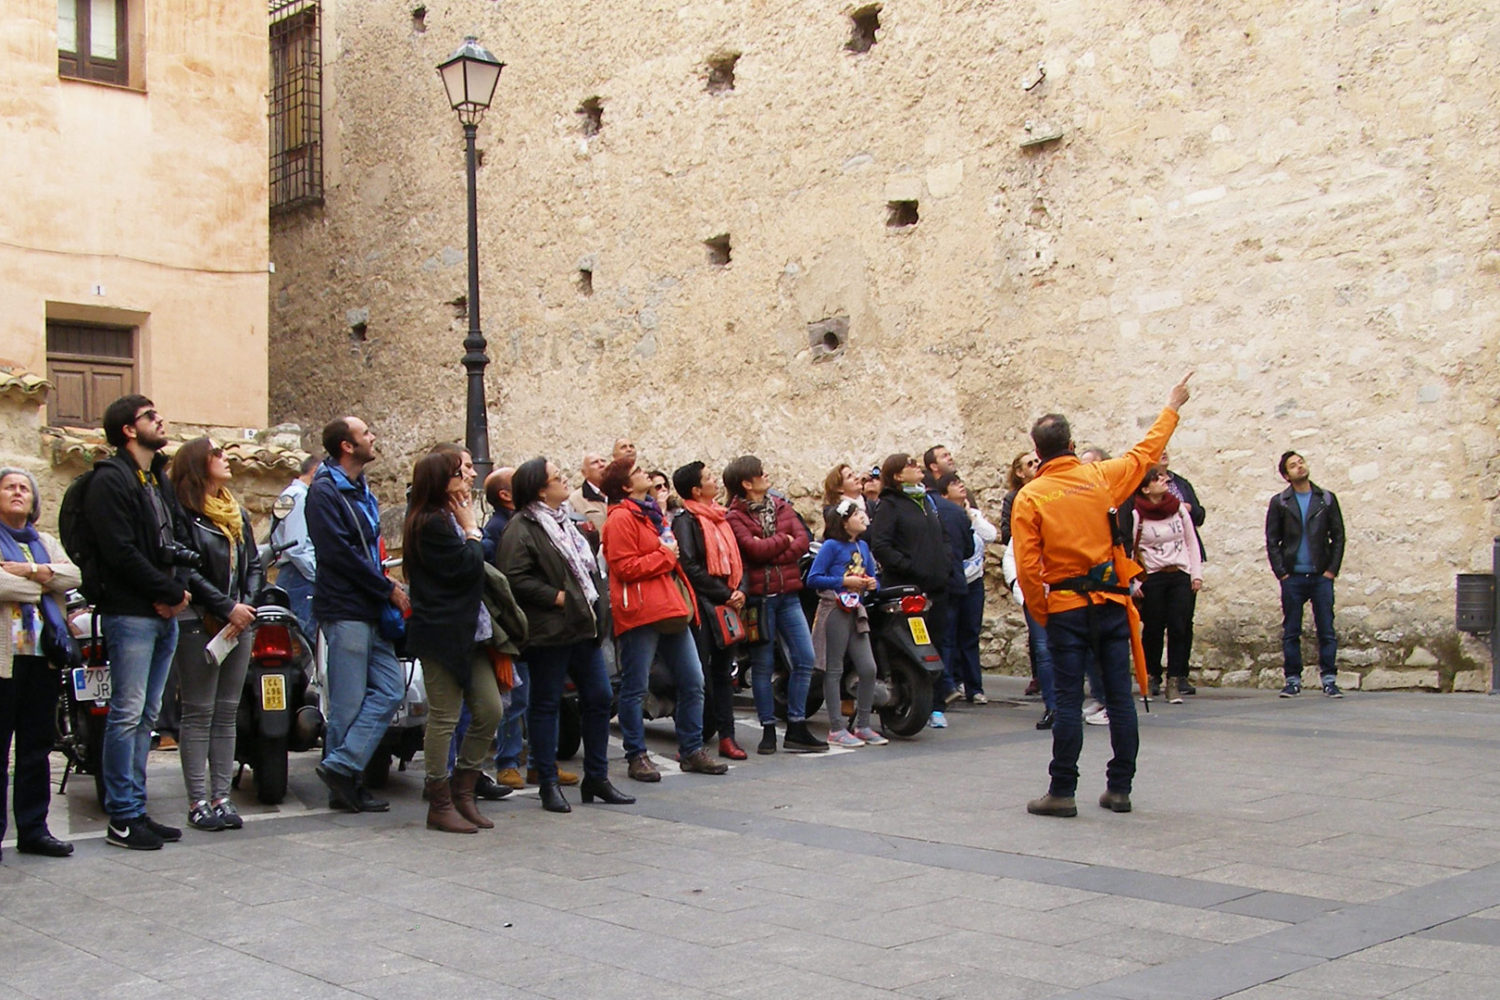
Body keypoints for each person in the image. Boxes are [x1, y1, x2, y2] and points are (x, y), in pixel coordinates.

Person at [1014, 372, 1193, 818]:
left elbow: (1027, 567)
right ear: (1072, 443)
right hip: (1112, 603)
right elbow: (1146, 452)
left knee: (1070, 700)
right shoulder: (1101, 477)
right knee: (1118, 698)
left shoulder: (1031, 496)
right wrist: (1172, 405)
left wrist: (1043, 610)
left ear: (1038, 453)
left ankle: (1062, 790)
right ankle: (1120, 788)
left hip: (1067, 607)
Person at [498, 458, 633, 812]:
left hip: (581, 626)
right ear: (541, 489)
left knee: (600, 697)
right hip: (550, 631)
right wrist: (556, 597)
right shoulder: (522, 527)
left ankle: (597, 777)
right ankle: (547, 782)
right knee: (546, 704)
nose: (565, 482)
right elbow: (513, 577)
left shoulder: (567, 524)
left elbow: (587, 570)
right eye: (557, 479)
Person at [86, 395, 189, 850]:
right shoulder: (110, 481)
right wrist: (166, 593)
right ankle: (123, 818)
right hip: (130, 613)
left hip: (162, 612)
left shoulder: (157, 478)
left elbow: (178, 539)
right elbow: (119, 551)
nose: (160, 420)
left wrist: (179, 590)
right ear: (128, 429)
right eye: (150, 416)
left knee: (147, 716)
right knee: (126, 716)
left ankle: (137, 809)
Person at [600, 458, 728, 780]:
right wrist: (665, 555)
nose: (646, 473)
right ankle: (636, 755)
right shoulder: (620, 520)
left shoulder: (650, 516)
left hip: (669, 609)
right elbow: (624, 567)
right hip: (642, 612)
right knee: (635, 686)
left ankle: (692, 749)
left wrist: (665, 555)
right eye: (637, 472)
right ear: (626, 486)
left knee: (693, 680)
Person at [306, 416, 408, 813]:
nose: (373, 437)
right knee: (347, 703)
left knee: (389, 689)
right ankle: (345, 787)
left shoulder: (360, 489)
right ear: (347, 446)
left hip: (370, 607)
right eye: (366, 433)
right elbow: (339, 554)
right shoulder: (325, 492)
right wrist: (387, 588)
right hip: (346, 607)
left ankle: (342, 766)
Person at [401, 449, 505, 833]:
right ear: (440, 482)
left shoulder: (445, 519)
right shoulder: (430, 523)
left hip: (469, 631)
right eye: (459, 474)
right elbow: (468, 567)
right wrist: (472, 529)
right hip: (442, 633)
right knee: (444, 717)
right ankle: (439, 800)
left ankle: (465, 789)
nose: (468, 478)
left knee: (490, 709)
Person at [170, 438, 263, 832]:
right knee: (198, 710)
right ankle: (197, 801)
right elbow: (186, 569)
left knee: (226, 711)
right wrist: (226, 607)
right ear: (198, 463)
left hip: (238, 622)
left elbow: (254, 565)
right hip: (200, 621)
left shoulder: (236, 512)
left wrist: (245, 606)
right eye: (218, 455)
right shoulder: (183, 512)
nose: (227, 460)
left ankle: (222, 797)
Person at [0, 468, 80, 859]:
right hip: (4, 661)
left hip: (41, 658)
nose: (18, 493)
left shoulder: (44, 541)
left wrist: (29, 570)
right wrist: (43, 582)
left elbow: (74, 575)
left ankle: (34, 830)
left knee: (36, 748)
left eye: (24, 489)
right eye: (9, 487)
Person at [723, 455, 825, 754]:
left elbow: (803, 540)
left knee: (805, 658)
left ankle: (796, 725)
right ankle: (768, 729)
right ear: (746, 482)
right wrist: (783, 540)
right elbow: (753, 551)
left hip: (788, 595)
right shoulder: (734, 517)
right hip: (759, 600)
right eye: (760, 473)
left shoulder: (780, 506)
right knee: (764, 665)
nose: (766, 476)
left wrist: (772, 546)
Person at [868, 453, 953, 726]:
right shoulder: (890, 505)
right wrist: (911, 567)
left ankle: (935, 705)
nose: (918, 468)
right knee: (902, 646)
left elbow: (943, 537)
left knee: (936, 644)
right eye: (911, 465)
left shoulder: (926, 502)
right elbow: (881, 545)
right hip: (906, 587)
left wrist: (946, 562)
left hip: (936, 587)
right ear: (897, 476)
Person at [672, 461, 747, 760]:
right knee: (697, 676)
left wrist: (740, 590)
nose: (715, 480)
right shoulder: (686, 520)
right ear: (695, 489)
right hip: (702, 608)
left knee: (724, 674)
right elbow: (689, 566)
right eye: (708, 478)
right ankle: (691, 740)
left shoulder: (720, 518)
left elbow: (736, 559)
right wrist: (726, 593)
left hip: (726, 606)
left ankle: (727, 737)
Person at [1118, 448, 1206, 696]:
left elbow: (1191, 542)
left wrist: (1195, 573)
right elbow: (1131, 549)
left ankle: (1176, 678)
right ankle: (1152, 674)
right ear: (1145, 488)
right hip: (1153, 577)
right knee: (1154, 627)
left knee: (1179, 625)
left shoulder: (1177, 509)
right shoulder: (1136, 514)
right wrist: (1134, 581)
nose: (1164, 481)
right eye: (1157, 479)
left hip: (1179, 572)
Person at [807, 498, 887, 748]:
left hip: (856, 610)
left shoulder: (863, 546)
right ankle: (836, 727)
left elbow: (873, 578)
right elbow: (814, 578)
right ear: (844, 521)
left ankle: (862, 724)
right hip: (835, 609)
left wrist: (872, 585)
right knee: (834, 669)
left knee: (868, 668)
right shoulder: (831, 546)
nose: (863, 517)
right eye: (857, 513)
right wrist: (844, 581)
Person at [1266, 451, 1345, 698]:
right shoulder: (1280, 502)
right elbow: (1272, 540)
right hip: (1293, 577)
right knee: (1291, 629)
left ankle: (1329, 679)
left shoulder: (1326, 499)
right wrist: (1282, 573)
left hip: (1321, 575)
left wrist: (1331, 570)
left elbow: (1338, 536)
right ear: (1286, 475)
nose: (1300, 467)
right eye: (1293, 465)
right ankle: (1292, 679)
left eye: (1301, 462)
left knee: (1326, 629)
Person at [939, 472, 994, 705]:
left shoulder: (972, 515)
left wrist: (972, 518)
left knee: (970, 634)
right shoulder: (940, 516)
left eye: (960, 482)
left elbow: (990, 535)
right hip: (954, 581)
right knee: (949, 635)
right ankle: (950, 684)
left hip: (974, 582)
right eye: (953, 483)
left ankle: (975, 687)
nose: (960, 485)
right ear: (943, 494)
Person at [268, 454, 319, 638]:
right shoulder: (300, 496)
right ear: (315, 472)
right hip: (300, 575)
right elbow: (296, 546)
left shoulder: (289, 495)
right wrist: (316, 575)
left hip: (293, 573)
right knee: (301, 637)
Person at [566, 453, 609, 537]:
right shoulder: (575, 500)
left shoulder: (621, 491)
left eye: (603, 461)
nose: (601, 465)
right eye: (595, 462)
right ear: (584, 473)